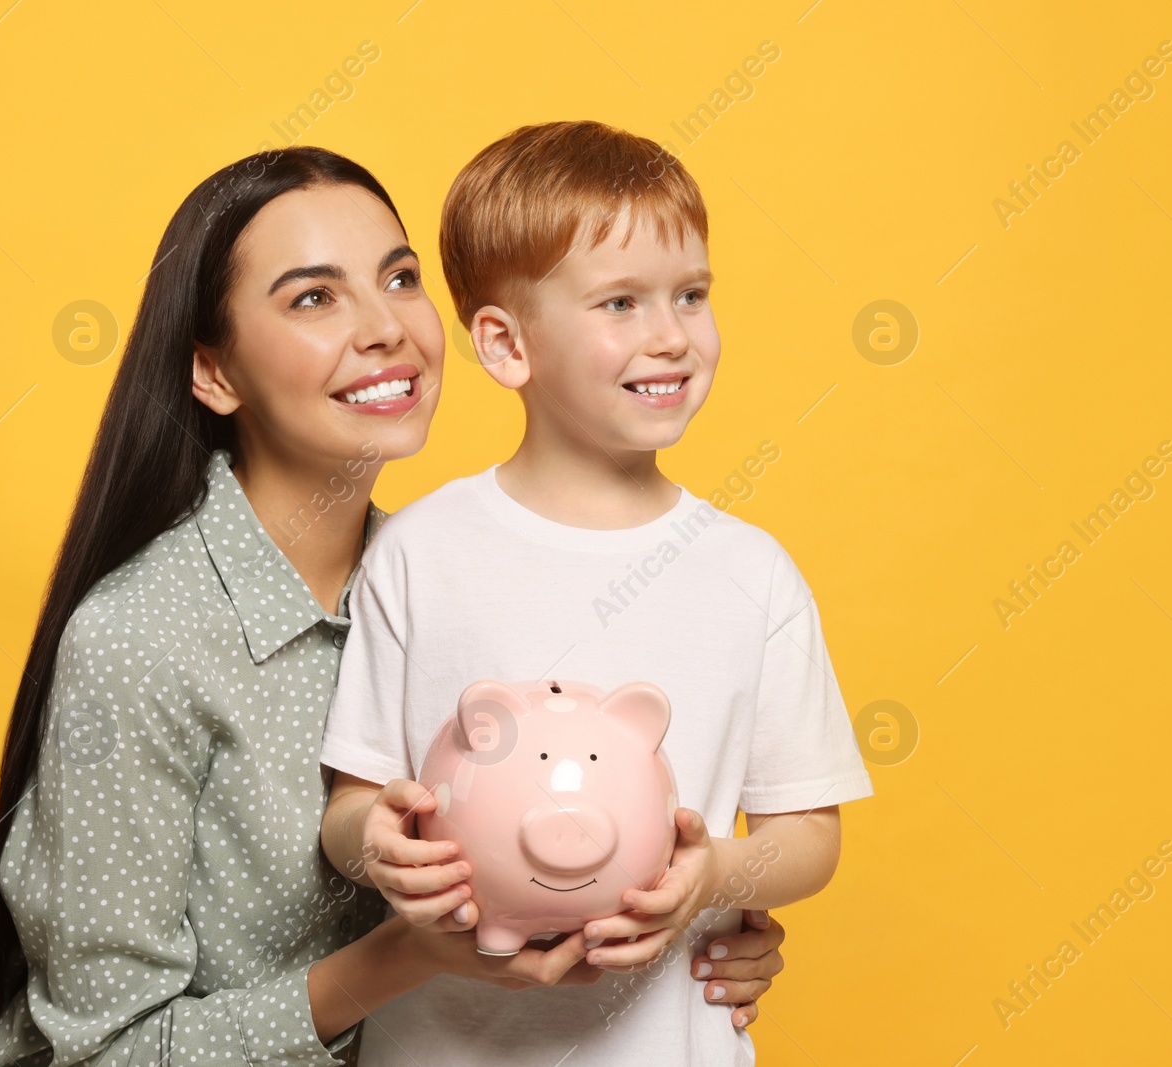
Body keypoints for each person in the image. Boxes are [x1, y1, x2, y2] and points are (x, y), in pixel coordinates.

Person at [0, 144, 786, 1066]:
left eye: (399, 278)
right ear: (214, 371)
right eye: (313, 297)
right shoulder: (140, 640)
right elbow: (103, 1052)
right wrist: (392, 962)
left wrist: (689, 923)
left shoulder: (444, 581)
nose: (385, 328)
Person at [318, 121, 873, 1067]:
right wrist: (382, 849)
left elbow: (808, 834)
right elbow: (350, 803)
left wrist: (709, 878)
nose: (671, 336)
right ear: (505, 343)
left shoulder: (752, 572)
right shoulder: (418, 554)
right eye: (621, 302)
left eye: (691, 295)